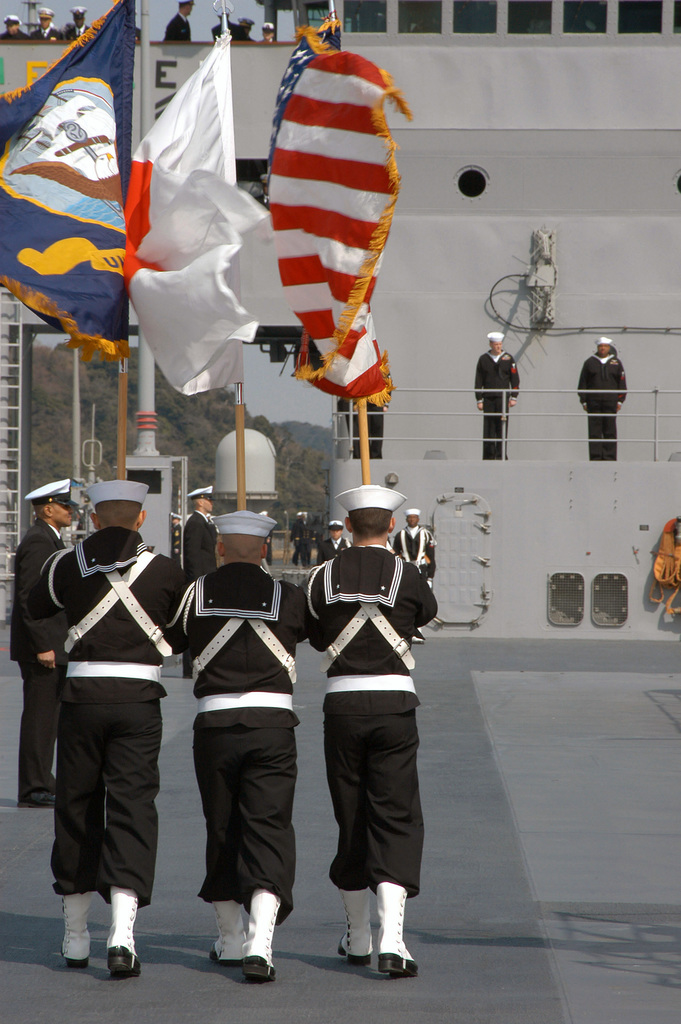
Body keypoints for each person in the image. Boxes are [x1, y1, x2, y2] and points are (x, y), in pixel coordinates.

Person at [27, 480, 187, 977]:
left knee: (77, 808)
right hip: (138, 700)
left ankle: (76, 937)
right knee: (132, 809)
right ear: (141, 519)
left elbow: (36, 607)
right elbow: (181, 638)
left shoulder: (64, 564)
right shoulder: (166, 571)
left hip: (81, 698)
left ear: (93, 519)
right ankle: (121, 934)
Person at [166, 511, 309, 983]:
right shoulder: (288, 595)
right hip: (272, 725)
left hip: (215, 726)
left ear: (221, 548)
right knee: (268, 828)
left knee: (222, 825)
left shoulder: (195, 595)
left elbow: (171, 641)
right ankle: (260, 944)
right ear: (265, 549)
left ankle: (229, 939)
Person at [306, 484, 438, 978]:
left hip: (341, 706)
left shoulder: (322, 576)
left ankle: (358, 935)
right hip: (394, 704)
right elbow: (425, 611)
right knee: (396, 815)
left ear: (349, 526)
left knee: (351, 812)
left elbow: (315, 630)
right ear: (388, 527)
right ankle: (394, 939)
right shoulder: (407, 572)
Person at [10, 479, 76, 808]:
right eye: (66, 506)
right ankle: (33, 786)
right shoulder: (39, 541)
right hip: (43, 649)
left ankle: (42, 780)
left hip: (50, 644)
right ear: (47, 508)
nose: (72, 511)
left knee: (48, 719)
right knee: (40, 719)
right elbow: (28, 598)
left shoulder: (49, 538)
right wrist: (42, 645)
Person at [578, 337, 627, 461]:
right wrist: (583, 400)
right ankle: (595, 457)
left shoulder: (616, 363)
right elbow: (583, 382)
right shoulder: (590, 362)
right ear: (597, 348)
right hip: (593, 402)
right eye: (601, 346)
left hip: (610, 402)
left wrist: (620, 400)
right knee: (594, 431)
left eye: (605, 346)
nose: (603, 348)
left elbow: (621, 383)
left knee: (610, 430)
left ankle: (609, 457)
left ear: (609, 348)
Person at [474, 331, 520, 460]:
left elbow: (514, 378)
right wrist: (479, 399)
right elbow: (478, 380)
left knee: (502, 427)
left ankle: (501, 455)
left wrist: (514, 396)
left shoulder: (508, 359)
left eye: (500, 344)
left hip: (503, 398)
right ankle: (488, 456)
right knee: (489, 427)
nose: (498, 347)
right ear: (490, 344)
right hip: (488, 398)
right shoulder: (484, 359)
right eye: (495, 344)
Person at [391, 508, 436, 586]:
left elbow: (431, 556)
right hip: (405, 569)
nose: (412, 519)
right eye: (410, 517)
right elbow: (395, 555)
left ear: (418, 519)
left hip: (421, 569)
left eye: (414, 517)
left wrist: (430, 577)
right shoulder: (400, 535)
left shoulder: (426, 534)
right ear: (406, 519)